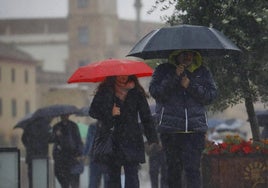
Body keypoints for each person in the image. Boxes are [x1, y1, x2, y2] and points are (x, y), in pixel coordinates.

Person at [149, 50, 217, 188]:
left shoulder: (202, 71)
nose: (188, 57)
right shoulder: (163, 70)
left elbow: (211, 95)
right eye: (184, 54)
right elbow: (156, 92)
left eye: (191, 54)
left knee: (193, 170)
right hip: (171, 130)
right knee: (173, 171)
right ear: (176, 56)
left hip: (194, 130)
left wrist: (190, 86)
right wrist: (174, 77)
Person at [89, 75, 159, 188]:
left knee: (132, 175)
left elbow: (146, 116)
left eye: (125, 74)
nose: (123, 77)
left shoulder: (136, 92)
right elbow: (93, 111)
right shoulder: (106, 91)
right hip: (112, 139)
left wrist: (152, 138)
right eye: (120, 75)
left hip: (132, 139)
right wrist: (109, 112)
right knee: (113, 177)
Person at [52, 114, 84, 188]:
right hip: (61, 158)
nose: (64, 117)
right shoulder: (56, 126)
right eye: (62, 115)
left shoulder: (73, 126)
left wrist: (79, 154)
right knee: (64, 182)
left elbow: (78, 140)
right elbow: (52, 140)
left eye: (66, 115)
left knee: (74, 182)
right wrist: (56, 135)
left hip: (73, 157)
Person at [21, 118, 51, 188]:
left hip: (31, 156)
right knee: (42, 177)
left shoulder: (28, 126)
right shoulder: (46, 126)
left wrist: (29, 146)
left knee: (32, 178)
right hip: (42, 156)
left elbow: (23, 139)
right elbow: (50, 139)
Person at [83, 121, 108, 188]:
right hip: (95, 159)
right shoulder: (92, 126)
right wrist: (84, 154)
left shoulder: (110, 125)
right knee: (93, 183)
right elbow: (88, 141)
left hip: (107, 159)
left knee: (108, 183)